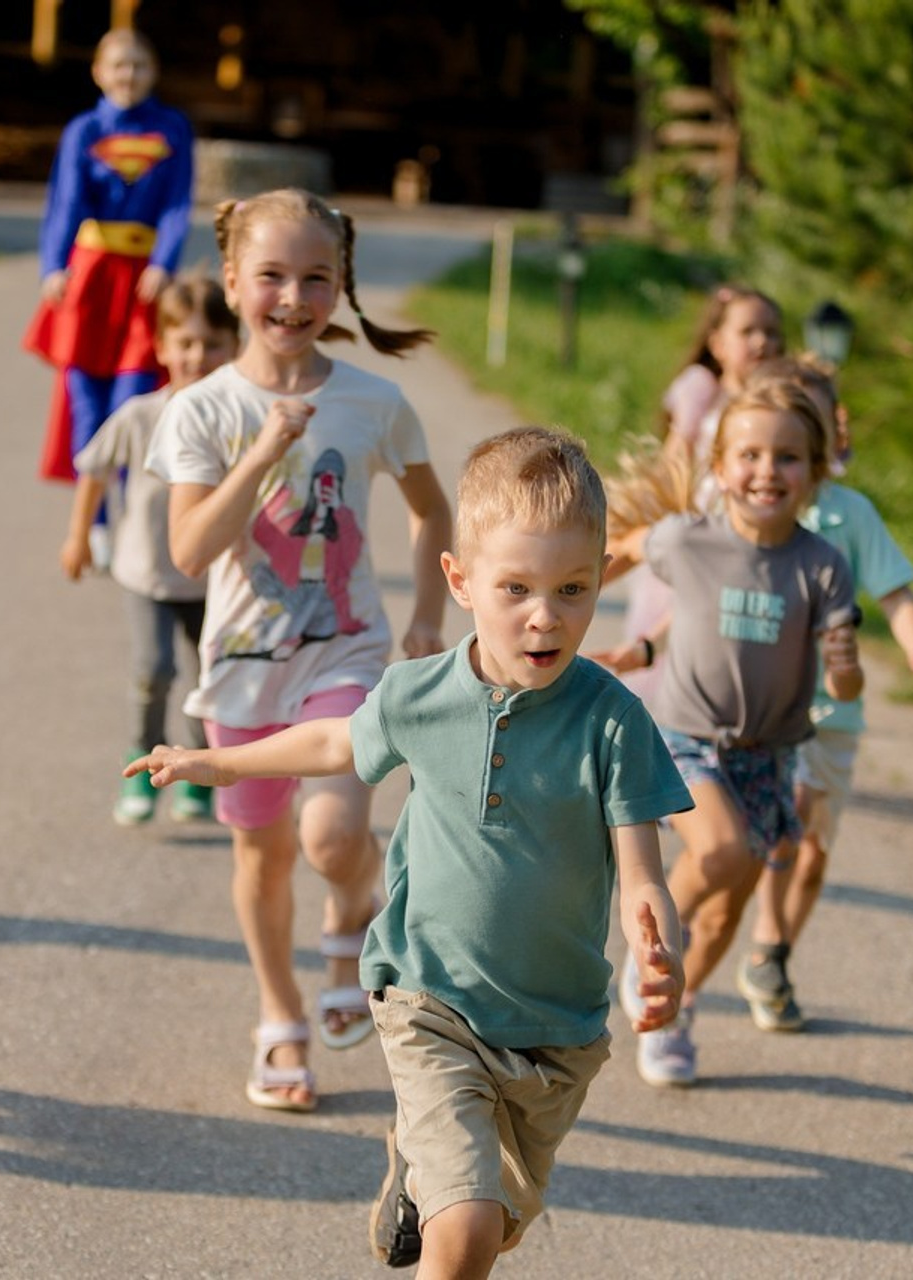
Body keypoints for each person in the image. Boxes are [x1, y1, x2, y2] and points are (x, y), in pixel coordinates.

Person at [127, 427, 692, 1274]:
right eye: (517, 589)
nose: (546, 615)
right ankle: (436, 1184)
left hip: (556, 1032)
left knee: (487, 1230)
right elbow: (330, 746)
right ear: (461, 583)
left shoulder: (612, 720)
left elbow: (642, 877)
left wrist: (659, 949)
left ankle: (415, 1175)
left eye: (574, 588)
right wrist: (215, 760)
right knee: (462, 1233)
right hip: (429, 999)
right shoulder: (420, 694)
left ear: (604, 575)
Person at [143, 187, 453, 1113]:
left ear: (340, 286)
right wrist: (264, 450)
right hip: (241, 671)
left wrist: (429, 616)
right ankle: (279, 1014)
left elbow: (431, 506)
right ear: (233, 282)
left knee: (332, 834)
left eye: (317, 277)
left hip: (345, 656)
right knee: (263, 857)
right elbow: (191, 550)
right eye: (272, 275)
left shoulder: (372, 400)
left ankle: (353, 907)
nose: (293, 296)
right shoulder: (199, 411)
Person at [608, 375, 863, 1087]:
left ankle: (674, 1011)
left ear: (814, 473)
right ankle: (648, 946)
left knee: (726, 911)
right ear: (719, 468)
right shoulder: (689, 540)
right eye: (748, 455)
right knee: (716, 850)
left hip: (770, 756)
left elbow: (846, 688)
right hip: (687, 740)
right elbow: (624, 547)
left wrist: (844, 666)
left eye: (787, 457)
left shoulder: (822, 565)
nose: (766, 471)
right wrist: (552, 606)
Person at [714, 356, 913, 1032]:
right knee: (783, 827)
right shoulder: (744, 508)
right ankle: (750, 936)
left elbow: (896, 596)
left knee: (815, 848)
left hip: (835, 717)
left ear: (829, 436)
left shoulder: (850, 514)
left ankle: (771, 952)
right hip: (766, 716)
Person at [60, 274, 239, 826]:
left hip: (215, 582)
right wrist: (78, 536)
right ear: (162, 347)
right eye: (184, 343)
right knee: (153, 670)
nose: (198, 356)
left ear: (235, 347)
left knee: (209, 683)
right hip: (147, 576)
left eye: (212, 344)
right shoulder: (141, 415)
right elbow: (93, 470)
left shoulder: (241, 420)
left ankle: (199, 774)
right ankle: (141, 759)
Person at [21, 26, 194, 548]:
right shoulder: (83, 130)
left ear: (153, 73)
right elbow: (64, 203)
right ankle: (93, 522)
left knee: (132, 398)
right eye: (119, 65)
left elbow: (176, 204)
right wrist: (53, 265)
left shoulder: (173, 130)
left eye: (139, 65)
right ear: (99, 72)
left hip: (143, 283)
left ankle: (127, 513)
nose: (128, 76)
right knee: (84, 399)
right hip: (90, 278)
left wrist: (164, 261)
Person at [621, 285, 784, 705]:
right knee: (669, 653)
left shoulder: (782, 408)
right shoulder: (704, 394)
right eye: (748, 331)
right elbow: (671, 469)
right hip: (694, 537)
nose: (762, 341)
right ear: (718, 343)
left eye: (771, 332)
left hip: (749, 547)